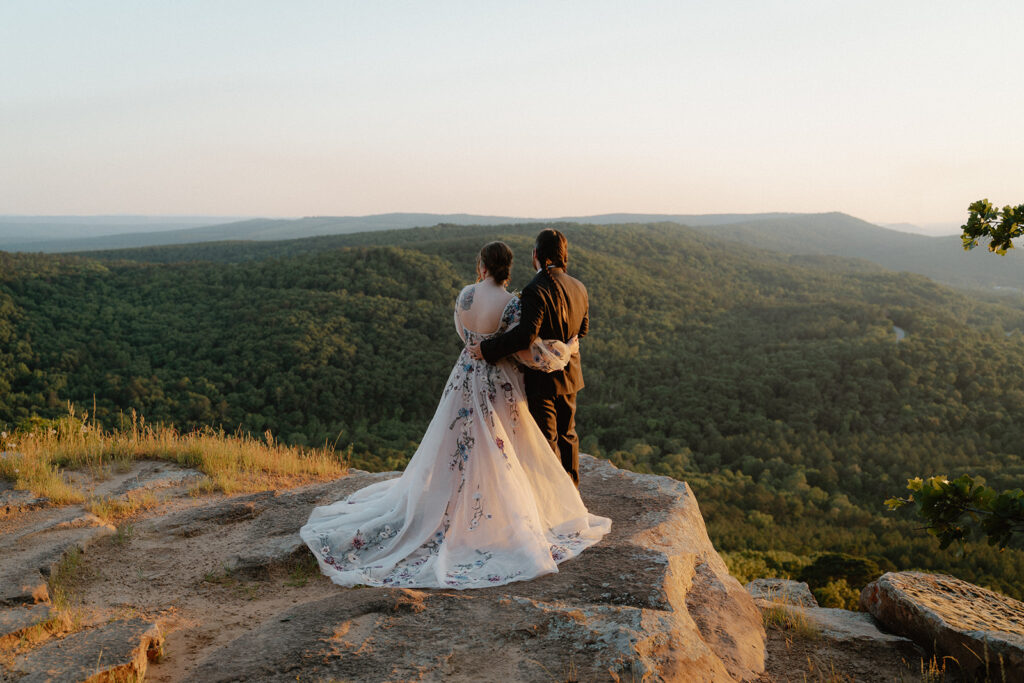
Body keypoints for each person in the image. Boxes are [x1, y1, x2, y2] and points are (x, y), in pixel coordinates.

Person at [299, 241, 610, 589]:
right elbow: (522, 347)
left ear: (482, 268)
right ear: (508, 269)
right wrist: (562, 351)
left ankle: (452, 502)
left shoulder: (464, 297)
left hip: (463, 377)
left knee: (456, 444)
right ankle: (499, 510)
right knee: (503, 448)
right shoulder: (513, 305)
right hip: (499, 383)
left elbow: (465, 336)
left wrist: (478, 348)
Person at [468, 229, 588, 488]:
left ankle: (554, 499)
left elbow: (525, 336)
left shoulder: (535, 289)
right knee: (568, 435)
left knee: (546, 440)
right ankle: (572, 491)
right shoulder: (579, 286)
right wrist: (564, 348)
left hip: (542, 379)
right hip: (570, 375)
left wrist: (487, 349)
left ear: (536, 255)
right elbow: (583, 330)